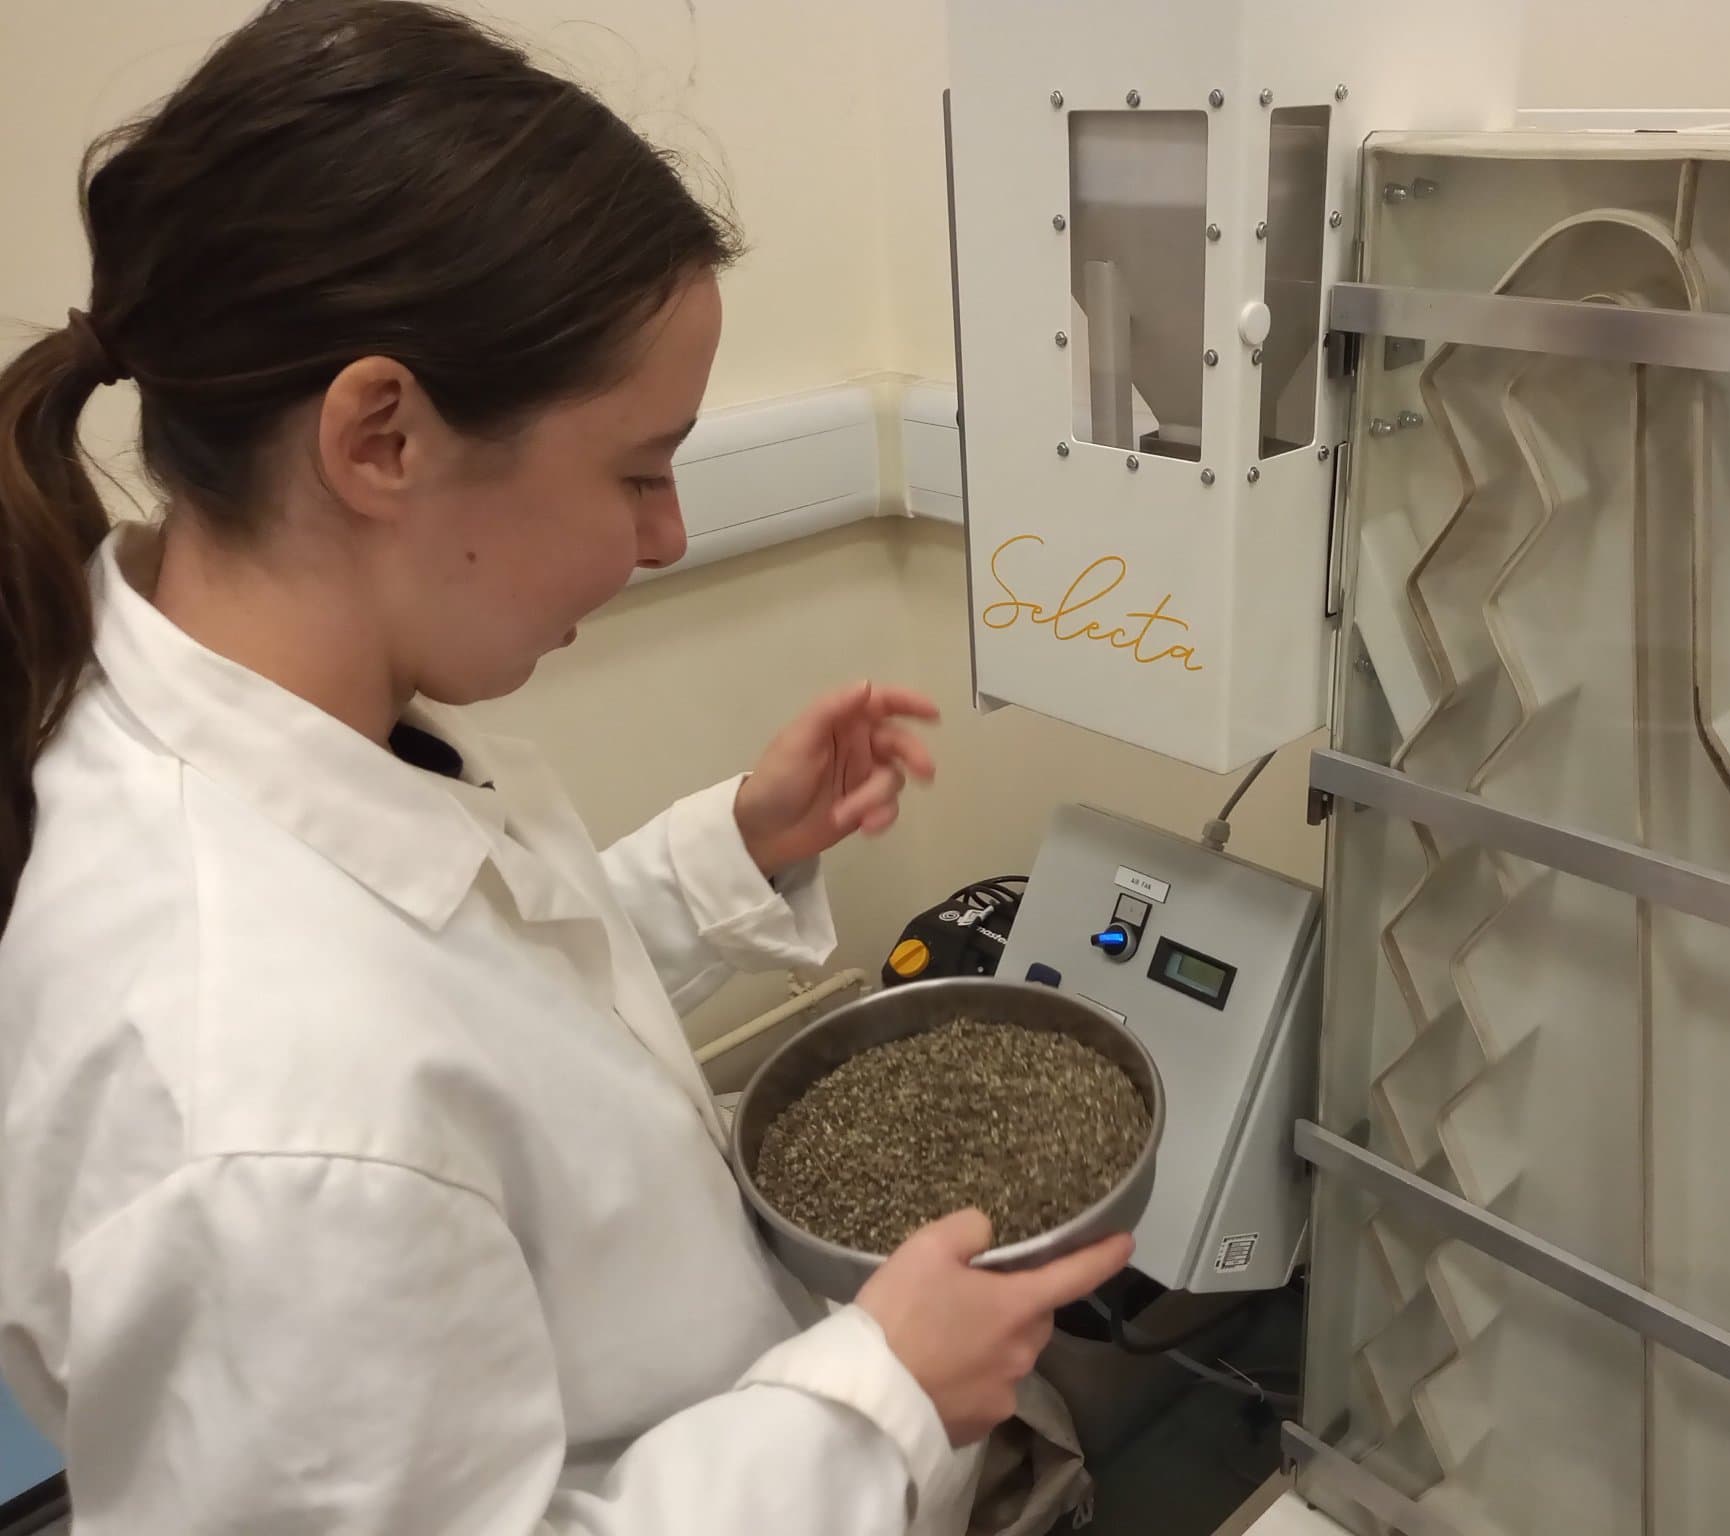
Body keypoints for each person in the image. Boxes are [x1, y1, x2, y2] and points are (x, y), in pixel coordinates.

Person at [0, 3, 1134, 1532]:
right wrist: (884, 1401)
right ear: (381, 437)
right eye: (637, 469)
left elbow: (484, 1014)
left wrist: (735, 848)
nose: (668, 536)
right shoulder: (253, 1109)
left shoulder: (284, 723)